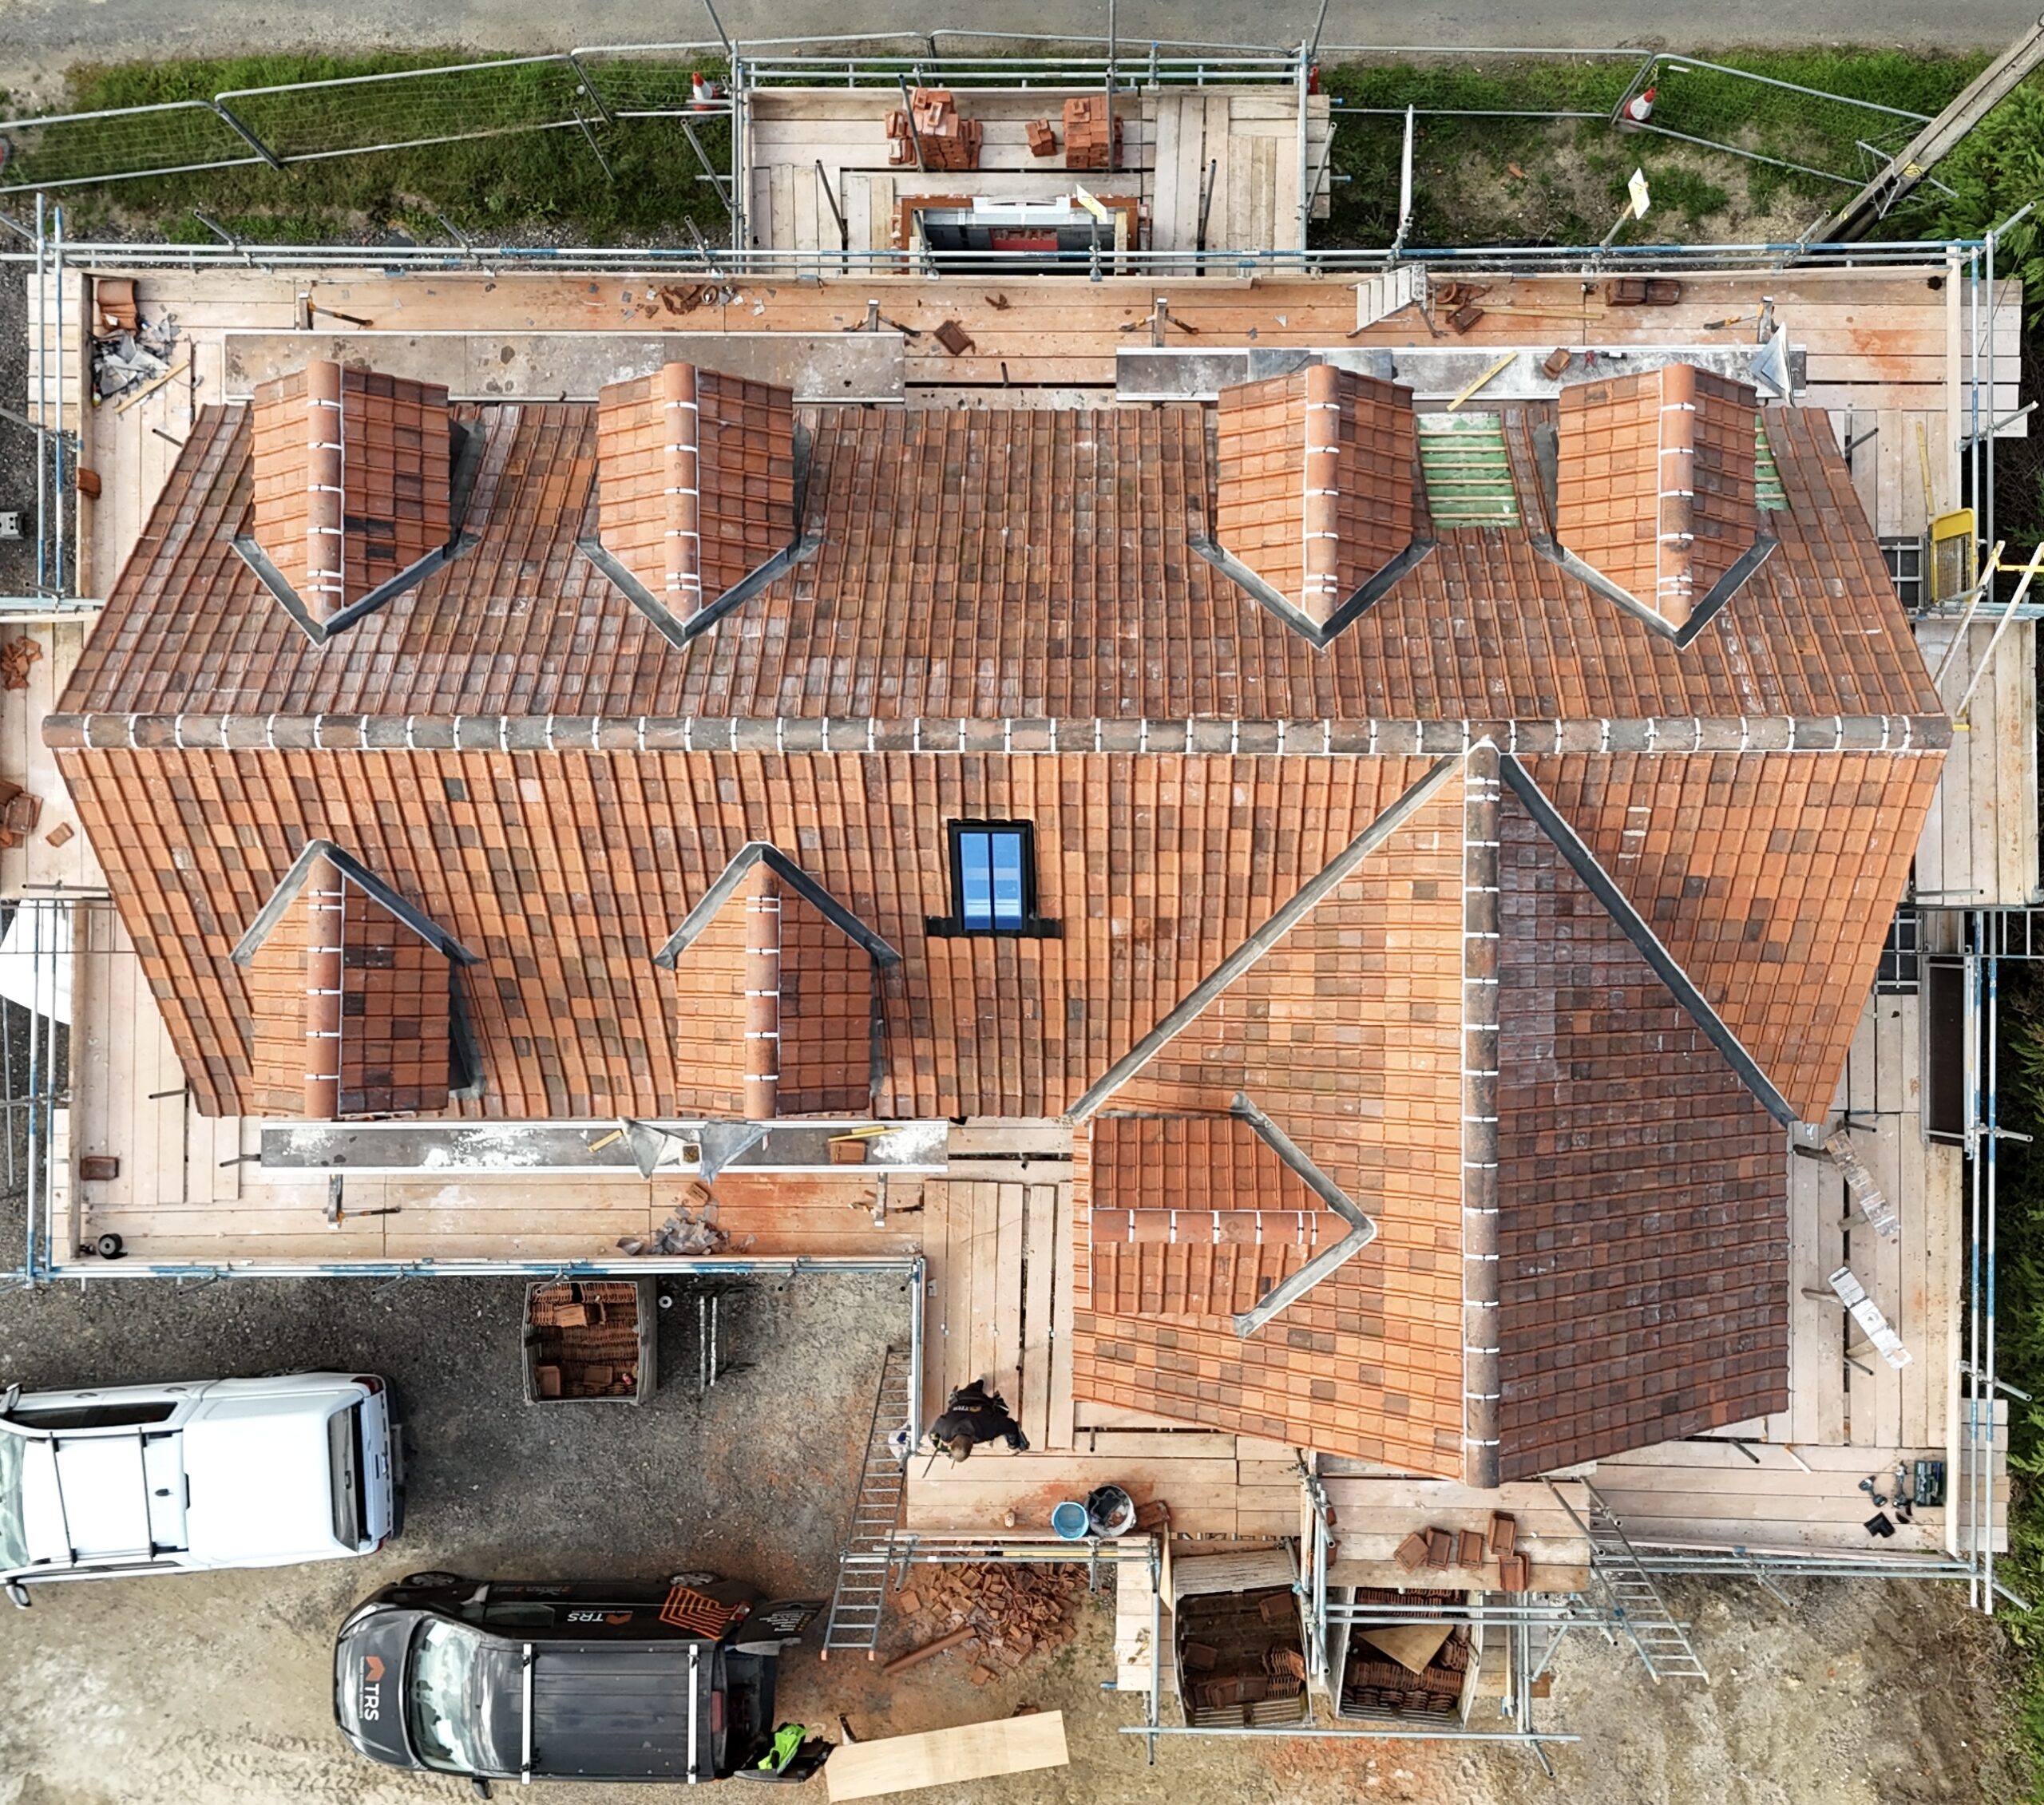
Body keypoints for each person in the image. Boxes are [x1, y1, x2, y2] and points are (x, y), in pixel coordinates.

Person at [927, 1379, 1029, 1461]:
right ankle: (979, 1383)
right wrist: (943, 1449)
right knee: (976, 1386)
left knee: (1002, 1412)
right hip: (963, 1397)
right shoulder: (945, 1430)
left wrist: (1014, 1445)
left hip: (983, 1401)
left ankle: (990, 1394)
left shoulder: (987, 1430)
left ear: (972, 1445)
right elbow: (932, 1435)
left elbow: (1010, 1425)